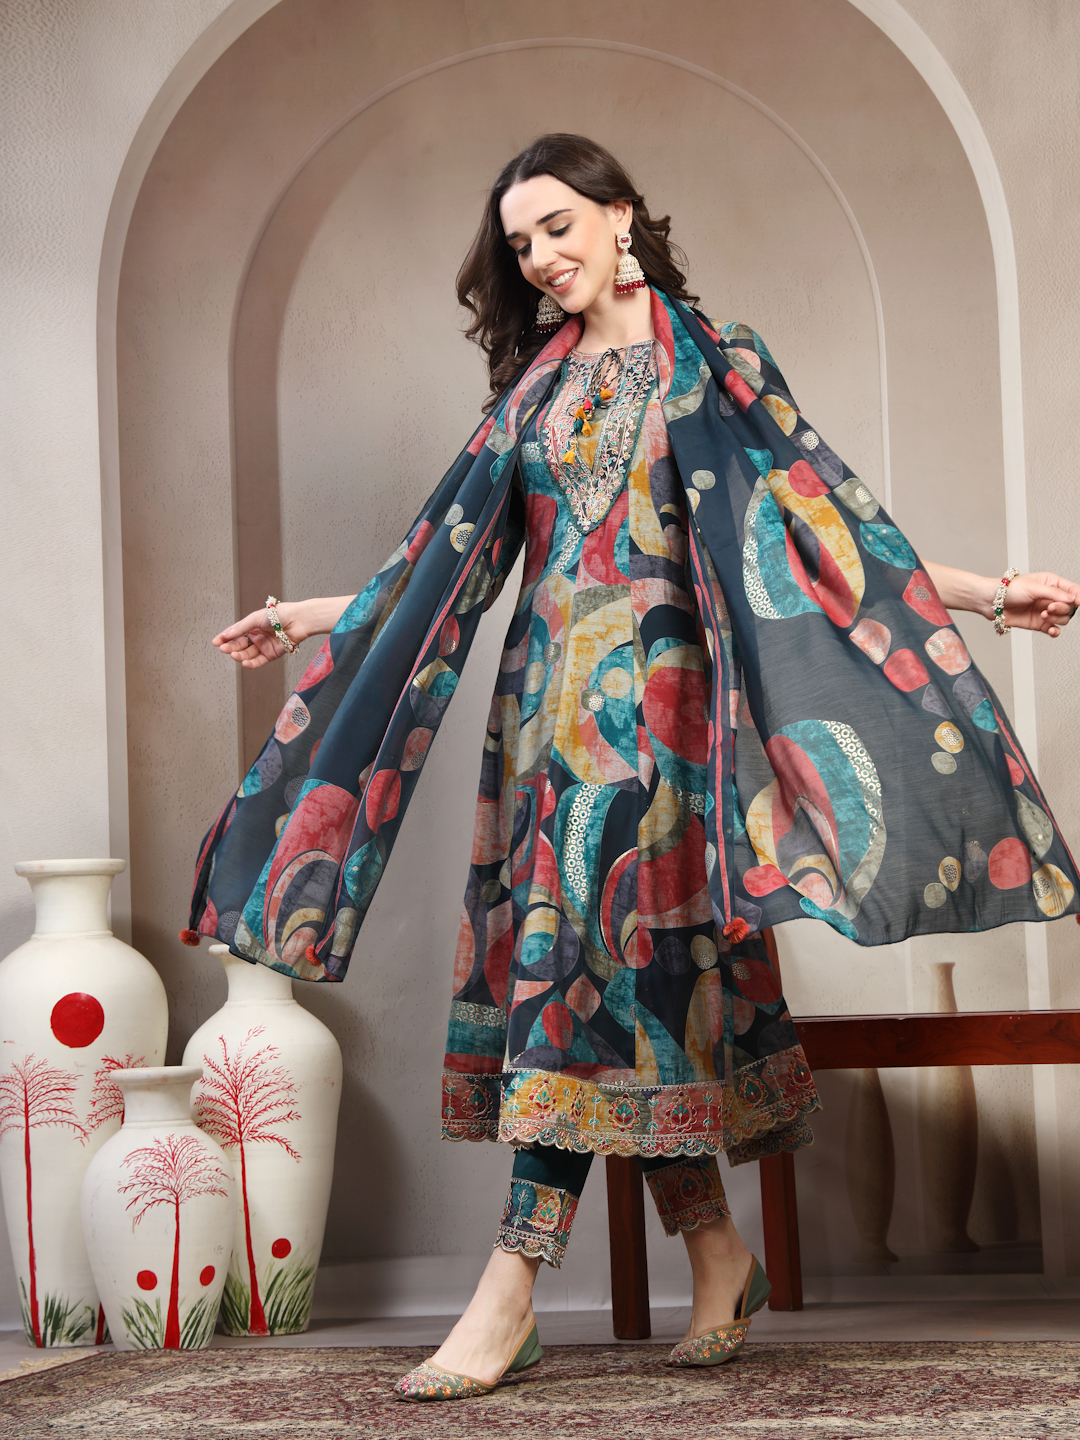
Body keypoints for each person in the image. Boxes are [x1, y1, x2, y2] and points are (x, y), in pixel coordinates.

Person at [188, 135, 1080, 1399]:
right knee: (633, 993)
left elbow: (829, 536)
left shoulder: (716, 366)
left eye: (557, 226)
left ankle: (507, 1291)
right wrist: (302, 621)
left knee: (596, 977)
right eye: (519, 244)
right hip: (547, 739)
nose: (539, 258)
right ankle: (720, 1258)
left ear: (619, 216)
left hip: (671, 739)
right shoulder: (533, 394)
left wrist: (991, 594)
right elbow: (441, 567)